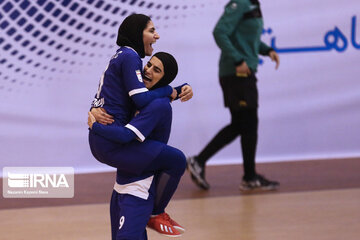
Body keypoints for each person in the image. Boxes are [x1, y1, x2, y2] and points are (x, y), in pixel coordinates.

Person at [89, 52, 189, 239]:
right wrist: (95, 109)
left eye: (156, 70)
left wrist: (94, 126)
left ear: (164, 79)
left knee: (177, 160)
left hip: (138, 190)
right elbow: (109, 98)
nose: (148, 70)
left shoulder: (158, 105)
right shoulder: (139, 97)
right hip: (121, 187)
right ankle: (157, 212)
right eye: (149, 65)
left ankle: (157, 213)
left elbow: (127, 135)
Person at [187, 0, 280, 191]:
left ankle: (203, 162)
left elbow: (247, 39)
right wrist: (238, 60)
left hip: (243, 74)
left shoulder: (253, 4)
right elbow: (220, 31)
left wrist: (267, 50)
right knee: (248, 123)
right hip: (237, 74)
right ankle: (247, 177)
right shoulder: (240, 3)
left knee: (242, 124)